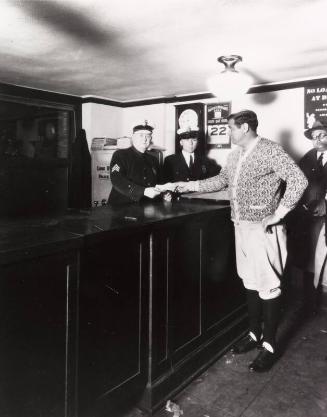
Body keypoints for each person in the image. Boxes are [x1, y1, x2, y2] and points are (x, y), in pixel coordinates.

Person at [169, 110, 308, 372]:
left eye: (231, 128)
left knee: (268, 286)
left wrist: (278, 214)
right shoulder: (234, 156)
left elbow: (298, 180)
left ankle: (270, 346)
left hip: (263, 230)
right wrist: (186, 186)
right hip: (241, 227)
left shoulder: (270, 150)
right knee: (251, 282)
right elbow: (222, 181)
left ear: (244, 128)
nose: (228, 133)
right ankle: (254, 335)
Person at [286, 120, 327, 313]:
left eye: (322, 135)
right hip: (308, 217)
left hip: (324, 218)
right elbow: (297, 183)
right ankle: (309, 302)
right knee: (307, 256)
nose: (317, 140)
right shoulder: (309, 157)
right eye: (314, 136)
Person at [107, 121, 161, 205]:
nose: (145, 139)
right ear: (133, 137)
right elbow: (117, 179)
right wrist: (143, 191)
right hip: (122, 206)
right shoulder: (120, 155)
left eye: (148, 135)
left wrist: (164, 193)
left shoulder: (153, 159)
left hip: (146, 206)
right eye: (141, 135)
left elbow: (157, 183)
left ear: (151, 138)